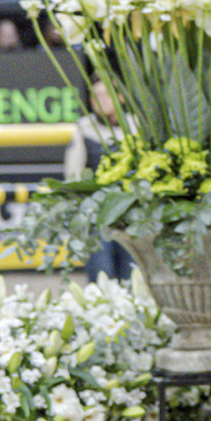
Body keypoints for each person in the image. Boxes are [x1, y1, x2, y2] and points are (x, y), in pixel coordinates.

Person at [64, 79, 131, 282]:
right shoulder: (84, 129)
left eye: (105, 95)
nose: (100, 101)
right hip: (98, 213)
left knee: (133, 274)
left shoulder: (136, 125)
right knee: (102, 271)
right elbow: (72, 176)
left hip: (132, 213)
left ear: (120, 97)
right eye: (96, 96)